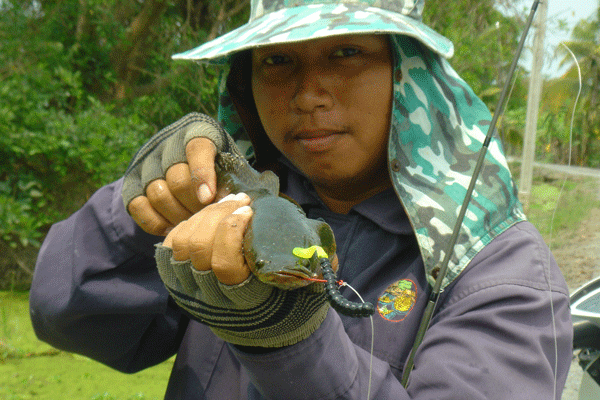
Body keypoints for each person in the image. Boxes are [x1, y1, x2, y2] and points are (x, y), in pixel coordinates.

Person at [29, 0, 573, 398]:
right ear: (245, 80)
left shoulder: (500, 271)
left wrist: (289, 339)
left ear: (409, 74)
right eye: (277, 61)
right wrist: (145, 203)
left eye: (346, 52)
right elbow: (65, 309)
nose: (308, 93)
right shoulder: (238, 204)